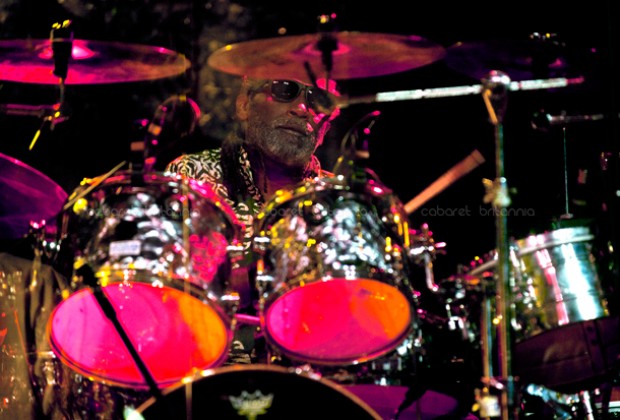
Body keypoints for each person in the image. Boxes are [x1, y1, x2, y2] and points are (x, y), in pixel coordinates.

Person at [165, 76, 341, 364]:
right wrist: (261, 271)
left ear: (326, 128)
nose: (301, 109)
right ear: (244, 104)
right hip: (207, 370)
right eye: (285, 90)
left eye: (317, 100)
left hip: (315, 375)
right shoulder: (192, 176)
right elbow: (168, 291)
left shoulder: (338, 200)